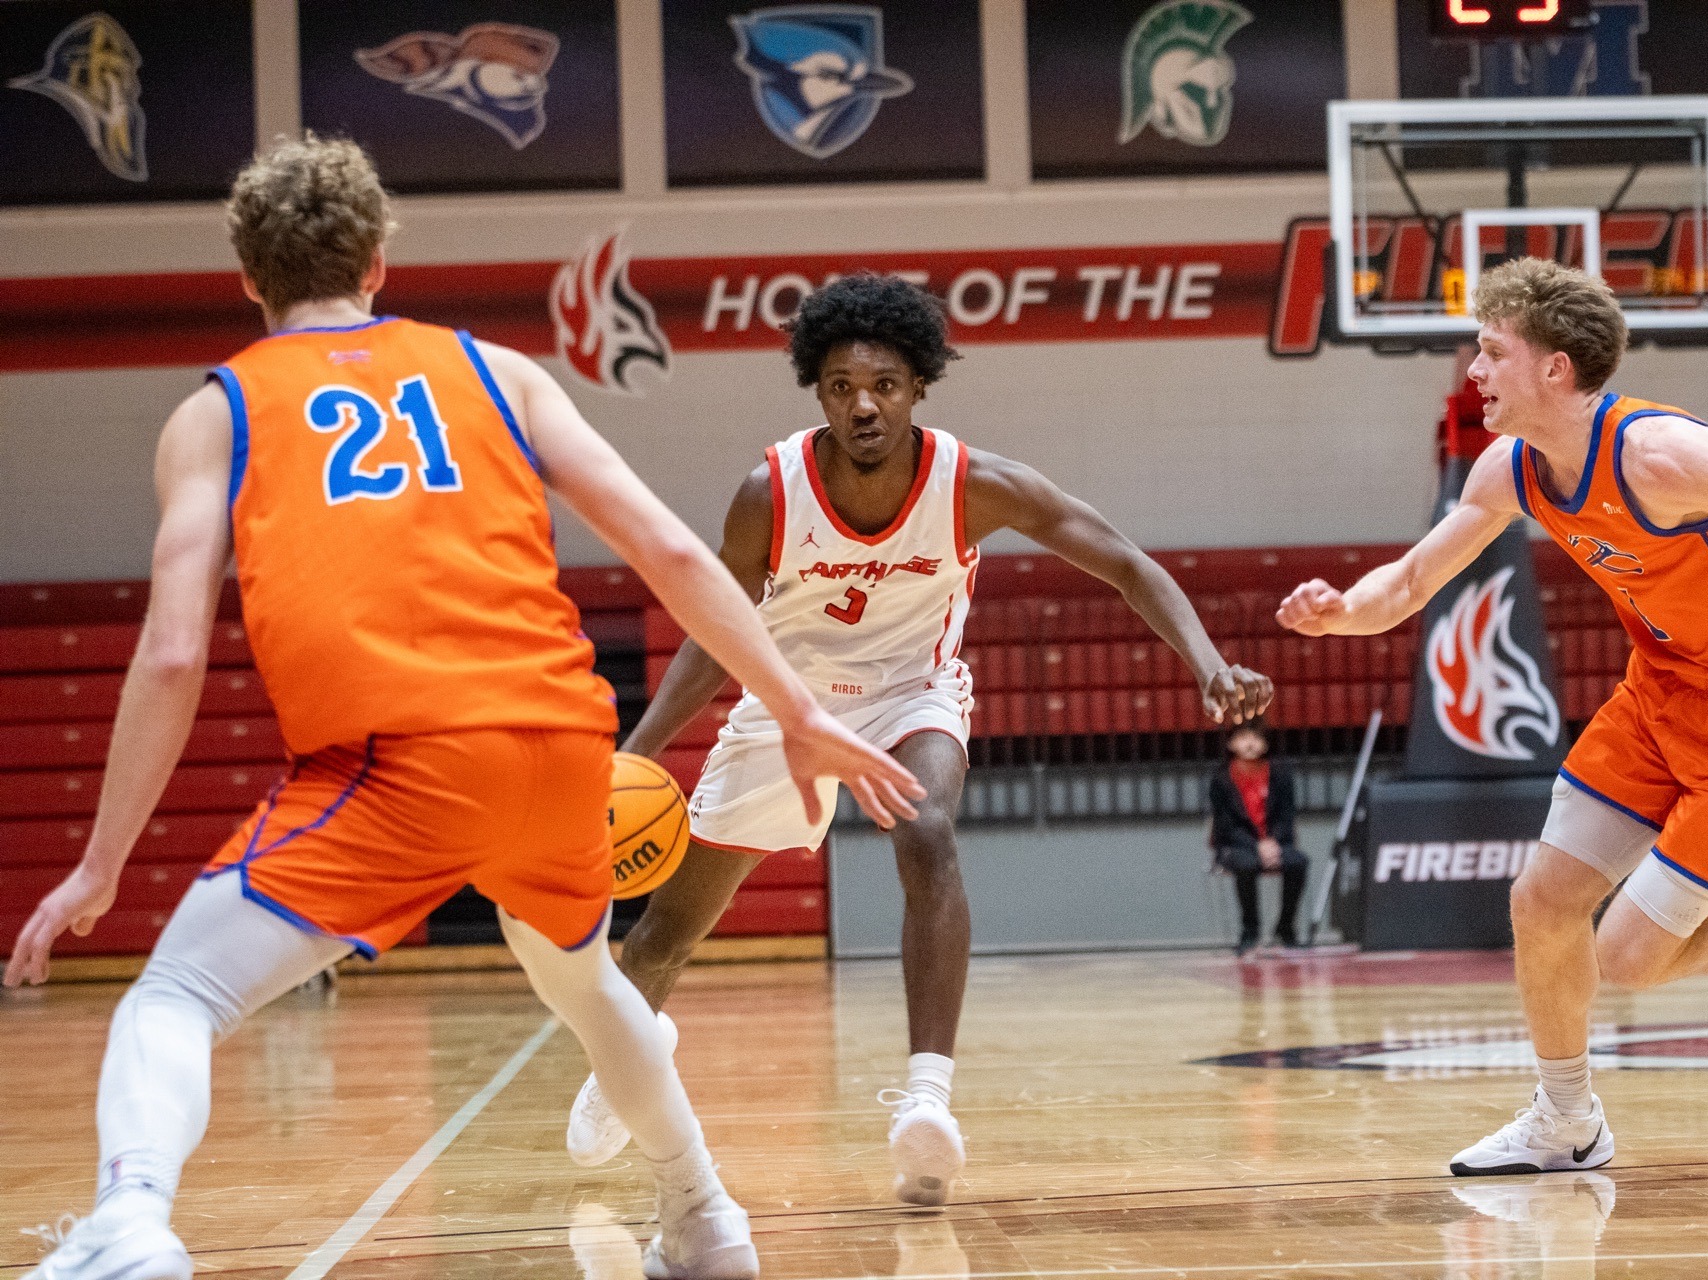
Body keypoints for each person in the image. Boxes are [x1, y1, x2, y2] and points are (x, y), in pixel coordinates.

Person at [2, 136, 924, 1280]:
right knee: (583, 981)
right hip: (558, 746)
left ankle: (131, 1223)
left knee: (177, 992)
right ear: (381, 260)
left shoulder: (218, 411)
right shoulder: (498, 370)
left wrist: (99, 864)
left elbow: (178, 648)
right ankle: (705, 1219)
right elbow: (674, 548)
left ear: (246, 276)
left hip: (399, 759)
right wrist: (791, 702)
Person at [567, 272, 1274, 1206]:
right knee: (661, 935)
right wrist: (643, 752)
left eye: (886, 385)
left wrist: (1207, 661)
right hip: (791, 706)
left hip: (915, 694)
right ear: (817, 394)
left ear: (919, 387)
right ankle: (626, 1059)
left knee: (928, 829)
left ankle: (928, 1101)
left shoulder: (973, 485)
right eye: (843, 388)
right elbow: (714, 634)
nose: (865, 405)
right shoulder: (769, 491)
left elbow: (1127, 564)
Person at [1278, 258, 1708, 1177]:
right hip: (1656, 694)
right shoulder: (1512, 468)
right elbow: (1414, 581)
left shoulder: (1662, 459)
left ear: (1554, 371)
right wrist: (1345, 607)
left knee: (1625, 959)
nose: (1475, 371)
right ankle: (1565, 1120)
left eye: (1492, 351)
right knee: (1541, 901)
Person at [1208, 722, 1305, 955]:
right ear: (1231, 744)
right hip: (1236, 845)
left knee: (1297, 862)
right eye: (1243, 738)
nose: (1250, 743)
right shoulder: (1221, 780)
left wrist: (1273, 842)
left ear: (1266, 744)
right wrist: (1257, 845)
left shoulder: (1280, 776)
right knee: (1247, 864)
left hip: (1275, 843)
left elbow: (1286, 816)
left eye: (1256, 738)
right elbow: (1225, 826)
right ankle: (1250, 932)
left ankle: (1285, 929)